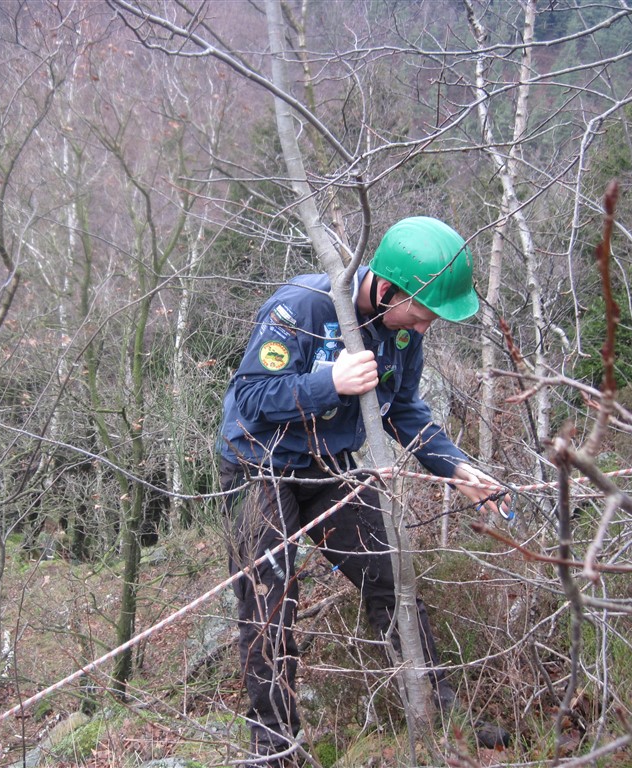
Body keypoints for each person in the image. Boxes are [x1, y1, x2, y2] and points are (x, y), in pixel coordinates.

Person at [217, 216, 512, 763]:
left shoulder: (403, 334)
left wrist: (454, 467)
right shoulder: (303, 307)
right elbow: (252, 396)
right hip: (257, 467)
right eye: (420, 314)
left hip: (329, 466)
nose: (424, 327)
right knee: (268, 603)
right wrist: (328, 382)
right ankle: (276, 748)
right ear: (385, 288)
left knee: (391, 574)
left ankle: (440, 712)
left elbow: (402, 408)